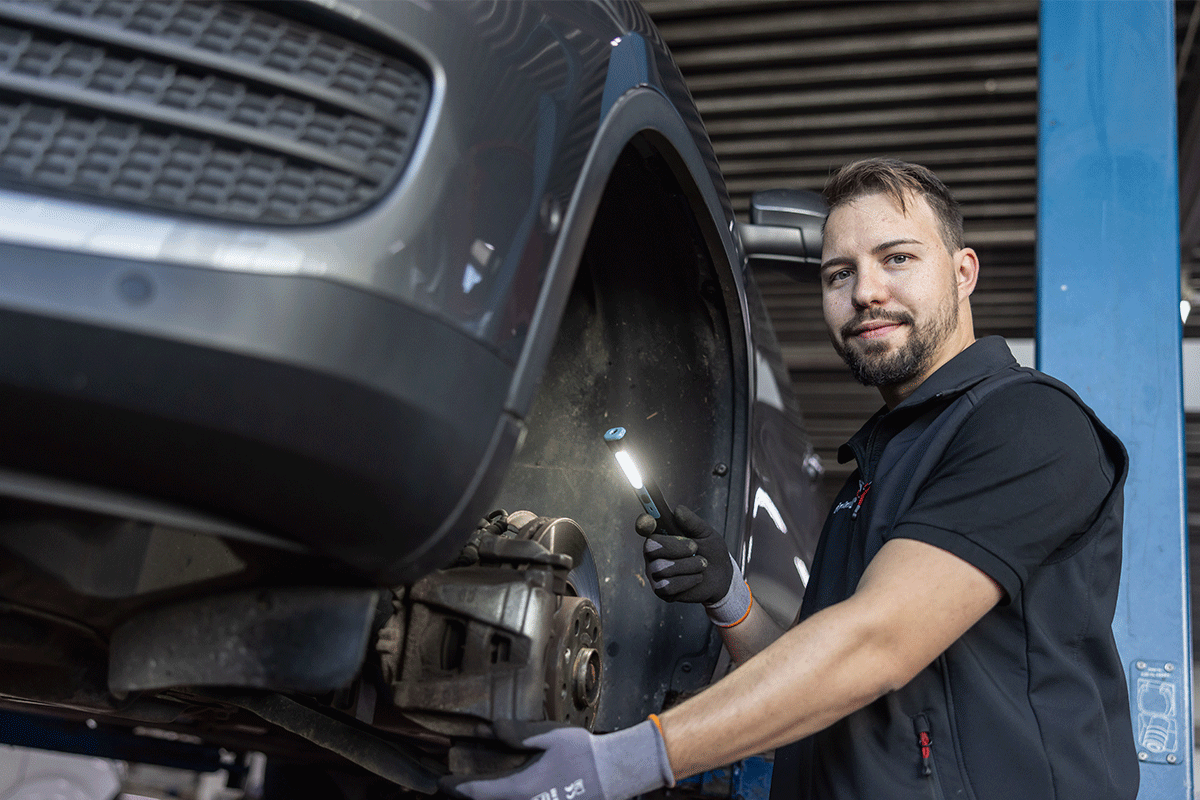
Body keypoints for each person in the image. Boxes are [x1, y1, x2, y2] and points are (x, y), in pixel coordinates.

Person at [442, 158, 1138, 800]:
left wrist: (619, 763)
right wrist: (730, 598)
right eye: (839, 274)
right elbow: (815, 682)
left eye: (897, 258)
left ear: (963, 272)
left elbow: (876, 644)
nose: (866, 292)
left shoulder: (1026, 423)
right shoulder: (872, 476)